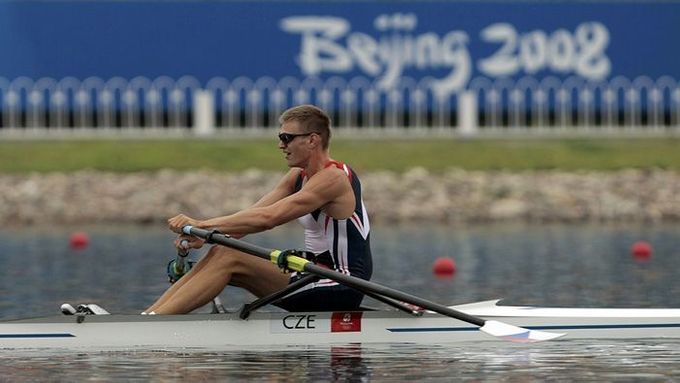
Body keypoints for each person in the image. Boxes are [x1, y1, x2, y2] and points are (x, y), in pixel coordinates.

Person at [144, 105, 372, 314]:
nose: (281, 145)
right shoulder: (298, 176)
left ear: (312, 140)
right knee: (222, 252)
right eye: (280, 137)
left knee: (230, 257)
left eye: (287, 138)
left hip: (341, 284)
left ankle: (151, 325)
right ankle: (150, 317)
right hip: (312, 275)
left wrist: (201, 225)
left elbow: (268, 218)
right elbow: (253, 214)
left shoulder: (333, 178)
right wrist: (207, 238)